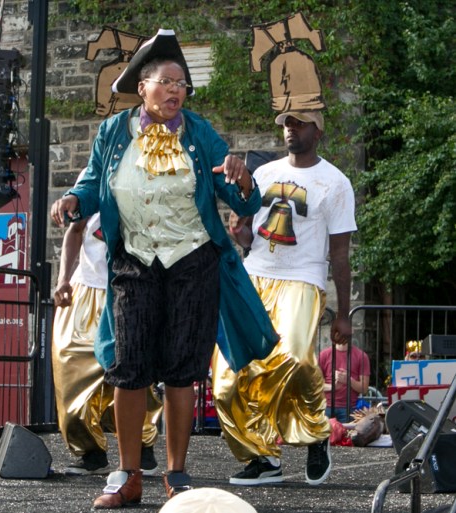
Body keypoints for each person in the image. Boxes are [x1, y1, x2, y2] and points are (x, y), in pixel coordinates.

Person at [50, 29, 277, 510]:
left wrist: (242, 178)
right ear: (143, 86)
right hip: (133, 261)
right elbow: (91, 186)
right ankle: (128, 476)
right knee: (127, 367)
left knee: (181, 368)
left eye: (183, 84)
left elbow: (241, 196)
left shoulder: (200, 133)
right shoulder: (113, 133)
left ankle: (176, 474)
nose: (176, 91)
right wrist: (72, 199)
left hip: (193, 262)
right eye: (167, 81)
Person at [213, 109, 356, 486]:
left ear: (318, 130)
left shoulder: (336, 183)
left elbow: (340, 254)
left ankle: (314, 432)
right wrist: (239, 232)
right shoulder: (263, 173)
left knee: (293, 357)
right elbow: (249, 239)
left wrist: (343, 313)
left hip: (302, 278)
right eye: (286, 124)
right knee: (227, 380)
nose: (290, 129)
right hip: (254, 276)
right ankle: (261, 457)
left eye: (299, 123)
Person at [52, 205, 163, 476]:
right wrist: (63, 279)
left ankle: (142, 448)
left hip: (130, 288)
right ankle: (89, 451)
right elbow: (75, 229)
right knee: (69, 364)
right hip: (87, 288)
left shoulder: (152, 175)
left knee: (135, 368)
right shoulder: (93, 176)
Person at [319, 341, 370, 422]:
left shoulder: (361, 356)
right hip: (326, 407)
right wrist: (333, 387)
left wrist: (349, 380)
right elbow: (315, 386)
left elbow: (364, 389)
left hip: (350, 408)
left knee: (347, 434)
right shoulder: (323, 355)